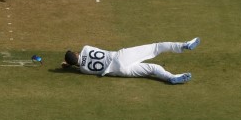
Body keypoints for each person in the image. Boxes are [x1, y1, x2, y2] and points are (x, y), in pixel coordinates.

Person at [62, 37, 201, 84]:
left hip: (119, 71)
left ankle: (171, 77)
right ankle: (184, 45)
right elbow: (81, 56)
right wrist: (70, 63)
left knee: (152, 68)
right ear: (76, 53)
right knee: (156, 47)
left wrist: (69, 65)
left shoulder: (83, 70)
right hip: (120, 57)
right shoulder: (86, 49)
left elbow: (78, 62)